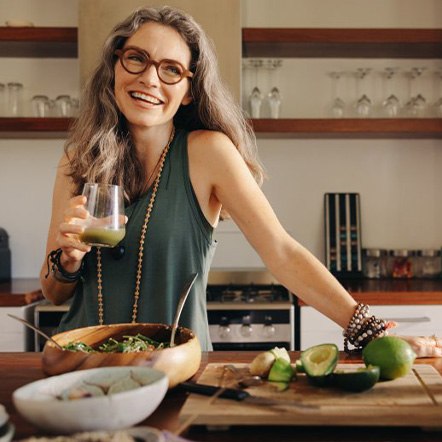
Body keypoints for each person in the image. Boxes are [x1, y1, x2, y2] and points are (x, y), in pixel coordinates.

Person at [39, 5, 434, 355]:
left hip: (176, 370)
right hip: (81, 366)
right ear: (115, 67)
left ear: (189, 90)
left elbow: (282, 252)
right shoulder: (77, 159)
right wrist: (68, 260)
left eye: (171, 69)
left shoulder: (208, 153)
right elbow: (53, 293)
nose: (150, 79)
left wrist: (369, 330)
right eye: (136, 59)